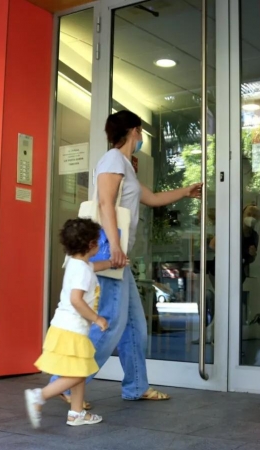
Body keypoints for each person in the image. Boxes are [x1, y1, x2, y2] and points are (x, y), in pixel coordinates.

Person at [51, 110, 202, 408]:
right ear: (135, 130)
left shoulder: (126, 168)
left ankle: (136, 386)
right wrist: (116, 246)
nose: (142, 137)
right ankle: (63, 382)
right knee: (110, 323)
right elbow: (106, 202)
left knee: (135, 326)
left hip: (119, 257)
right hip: (110, 253)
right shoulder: (112, 160)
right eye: (141, 132)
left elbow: (153, 198)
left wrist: (186, 191)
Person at [25, 218, 112, 428]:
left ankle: (76, 413)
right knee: (79, 372)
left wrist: (111, 263)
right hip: (72, 330)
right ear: (91, 244)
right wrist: (97, 318)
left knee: (77, 372)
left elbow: (93, 266)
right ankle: (40, 395)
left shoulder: (76, 263)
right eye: (97, 241)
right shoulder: (82, 270)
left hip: (65, 328)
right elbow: (76, 299)